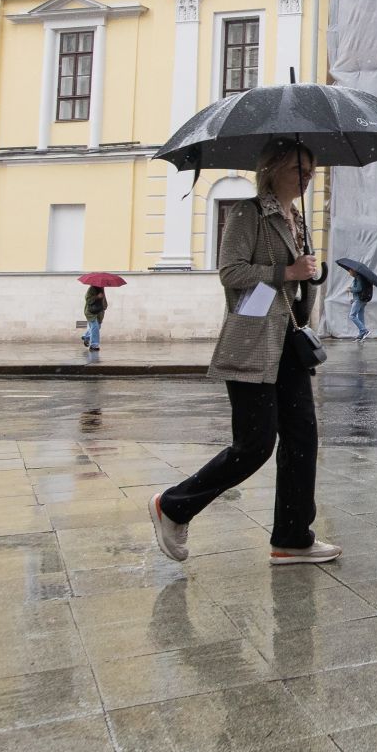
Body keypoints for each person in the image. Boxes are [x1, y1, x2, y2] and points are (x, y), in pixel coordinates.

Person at [148, 138, 339, 566]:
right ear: (272, 169)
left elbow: (296, 281)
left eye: (311, 170)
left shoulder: (297, 220)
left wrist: (310, 272)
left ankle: (292, 537)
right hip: (252, 343)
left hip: (290, 341)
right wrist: (286, 270)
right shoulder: (247, 213)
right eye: (298, 169)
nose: (307, 177)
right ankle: (174, 506)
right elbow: (231, 272)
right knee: (254, 445)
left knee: (303, 440)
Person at [342, 264, 370, 341]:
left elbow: (359, 288)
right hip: (361, 299)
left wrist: (350, 289)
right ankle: (361, 335)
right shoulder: (359, 278)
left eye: (349, 271)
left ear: (353, 270)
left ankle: (364, 330)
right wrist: (353, 299)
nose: (349, 273)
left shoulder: (358, 278)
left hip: (359, 300)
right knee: (360, 317)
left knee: (352, 316)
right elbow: (359, 289)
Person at [81, 285, 107, 351]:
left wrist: (105, 305)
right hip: (91, 312)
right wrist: (97, 297)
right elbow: (88, 300)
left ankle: (86, 337)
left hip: (99, 313)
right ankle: (94, 345)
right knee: (95, 327)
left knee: (97, 327)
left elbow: (104, 301)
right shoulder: (91, 289)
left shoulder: (102, 289)